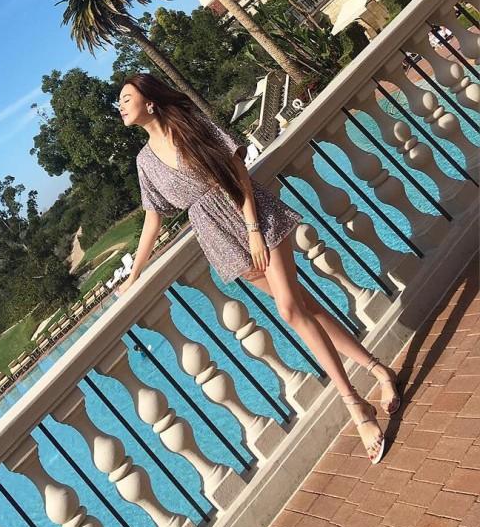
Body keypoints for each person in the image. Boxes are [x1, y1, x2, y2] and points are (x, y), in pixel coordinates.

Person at [114, 73, 401, 464]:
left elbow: (238, 171)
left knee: (290, 310)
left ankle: (354, 404)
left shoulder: (192, 126)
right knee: (304, 308)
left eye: (126, 97)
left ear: (150, 101)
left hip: (253, 219)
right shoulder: (145, 162)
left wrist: (252, 228)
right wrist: (134, 275)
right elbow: (153, 218)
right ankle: (378, 370)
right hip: (219, 238)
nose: (120, 106)